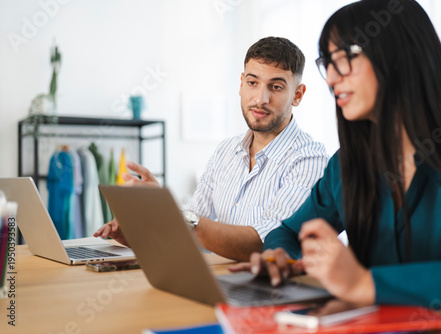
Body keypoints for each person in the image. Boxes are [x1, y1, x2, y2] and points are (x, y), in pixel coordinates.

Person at [230, 0, 441, 310]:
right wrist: (278, 257)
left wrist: (363, 284)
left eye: (344, 58)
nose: (331, 78)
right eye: (327, 63)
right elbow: (288, 231)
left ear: (399, 56)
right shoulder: (345, 167)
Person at [94, 37, 329, 262]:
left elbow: (269, 244)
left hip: (274, 292)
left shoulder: (309, 160)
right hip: (222, 279)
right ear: (241, 83)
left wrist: (170, 210)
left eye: (276, 87)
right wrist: (139, 235)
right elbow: (192, 227)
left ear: (297, 95)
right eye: (252, 82)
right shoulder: (225, 151)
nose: (260, 99)